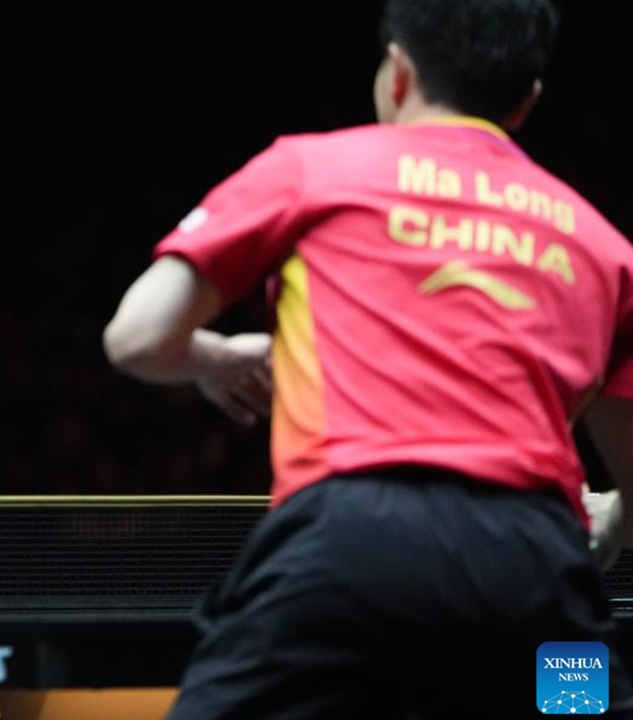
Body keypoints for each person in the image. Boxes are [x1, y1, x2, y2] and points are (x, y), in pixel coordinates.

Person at [103, 0, 633, 716]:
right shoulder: (603, 246)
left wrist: (221, 356)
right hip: (537, 565)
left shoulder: (310, 170)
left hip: (345, 547)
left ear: (398, 75)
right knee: (580, 701)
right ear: (526, 103)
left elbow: (136, 337)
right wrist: (611, 521)